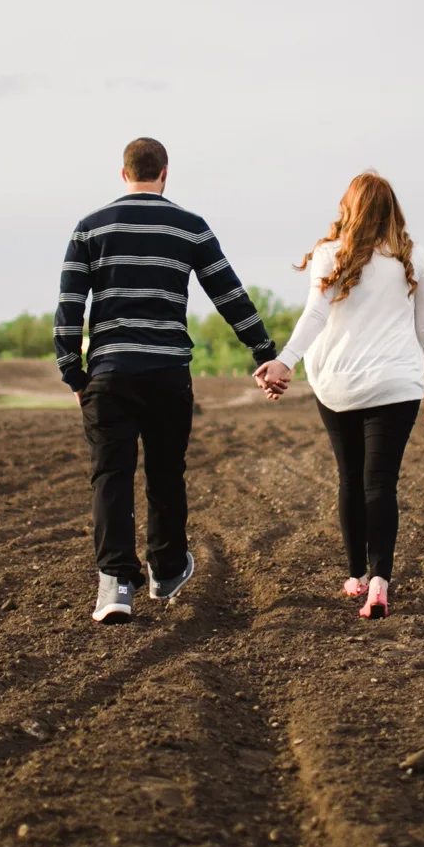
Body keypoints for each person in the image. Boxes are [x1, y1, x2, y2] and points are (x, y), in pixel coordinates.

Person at [56, 137, 277, 623]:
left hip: (110, 372)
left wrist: (73, 372)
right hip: (167, 373)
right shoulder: (189, 226)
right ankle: (167, 569)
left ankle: (114, 585)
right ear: (165, 174)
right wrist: (263, 350)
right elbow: (229, 293)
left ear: (123, 174)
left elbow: (70, 307)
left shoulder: (89, 228)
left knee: (110, 476)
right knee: (165, 472)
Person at [254, 172, 424, 618]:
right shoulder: (410, 256)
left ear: (349, 209)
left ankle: (356, 574)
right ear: (392, 211)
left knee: (350, 478)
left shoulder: (328, 255)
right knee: (381, 483)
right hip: (396, 384)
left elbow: (314, 315)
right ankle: (380, 580)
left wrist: (286, 361)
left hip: (336, 384)